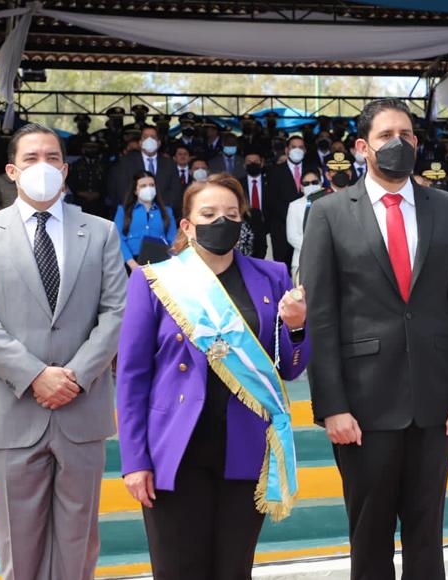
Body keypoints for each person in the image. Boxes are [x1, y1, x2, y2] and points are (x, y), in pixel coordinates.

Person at [300, 98, 448, 580]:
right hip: (362, 406)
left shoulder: (445, 209)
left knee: (427, 534)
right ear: (363, 147)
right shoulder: (330, 213)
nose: (397, 143)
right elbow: (321, 318)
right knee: (370, 534)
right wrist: (331, 405)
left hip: (435, 401)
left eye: (406, 135)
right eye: (385, 136)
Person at [0, 122, 127, 579]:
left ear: (65, 170)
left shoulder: (102, 232)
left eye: (52, 158)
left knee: (79, 546)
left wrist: (75, 376)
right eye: (31, 159)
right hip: (11, 411)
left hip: (81, 407)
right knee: (18, 546)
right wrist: (34, 375)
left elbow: (116, 312)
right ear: (12, 170)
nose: (43, 167)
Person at [116, 172, 309, 579]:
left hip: (244, 446)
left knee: (233, 570)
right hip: (176, 448)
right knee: (178, 570)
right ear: (186, 225)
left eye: (231, 213)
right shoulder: (153, 281)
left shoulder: (271, 275)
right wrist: (135, 461)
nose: (221, 221)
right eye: (208, 213)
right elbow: (132, 377)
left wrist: (296, 327)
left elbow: (289, 368)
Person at [110, 126, 181, 217]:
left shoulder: (169, 164)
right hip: (133, 214)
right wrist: (138, 207)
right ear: (140, 143)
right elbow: (122, 189)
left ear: (159, 143)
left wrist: (160, 208)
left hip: (163, 214)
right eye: (145, 137)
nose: (149, 140)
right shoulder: (126, 162)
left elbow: (175, 192)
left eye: (153, 137)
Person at [265, 135, 312, 270]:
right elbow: (271, 200)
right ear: (286, 150)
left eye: (300, 147)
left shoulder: (312, 169)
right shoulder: (274, 171)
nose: (297, 150)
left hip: (306, 230)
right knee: (283, 271)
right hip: (281, 230)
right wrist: (291, 217)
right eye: (293, 147)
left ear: (305, 150)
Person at [113, 172, 176, 270]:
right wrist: (132, 263)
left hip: (161, 262)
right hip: (131, 262)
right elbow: (119, 238)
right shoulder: (123, 210)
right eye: (143, 186)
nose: (148, 188)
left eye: (152, 185)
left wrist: (169, 260)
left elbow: (172, 238)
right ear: (135, 190)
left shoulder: (167, 211)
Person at [285, 168, 324, 279]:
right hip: (301, 261)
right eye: (306, 183)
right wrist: (315, 248)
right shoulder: (294, 205)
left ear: (321, 183)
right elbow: (292, 236)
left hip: (327, 260)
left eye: (314, 182)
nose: (311, 185)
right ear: (301, 187)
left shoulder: (329, 202)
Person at [241, 152, 269, 259]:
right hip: (248, 231)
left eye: (256, 161)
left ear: (262, 163)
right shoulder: (239, 183)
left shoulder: (270, 181)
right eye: (249, 162)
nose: (253, 164)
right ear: (244, 165)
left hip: (269, 230)